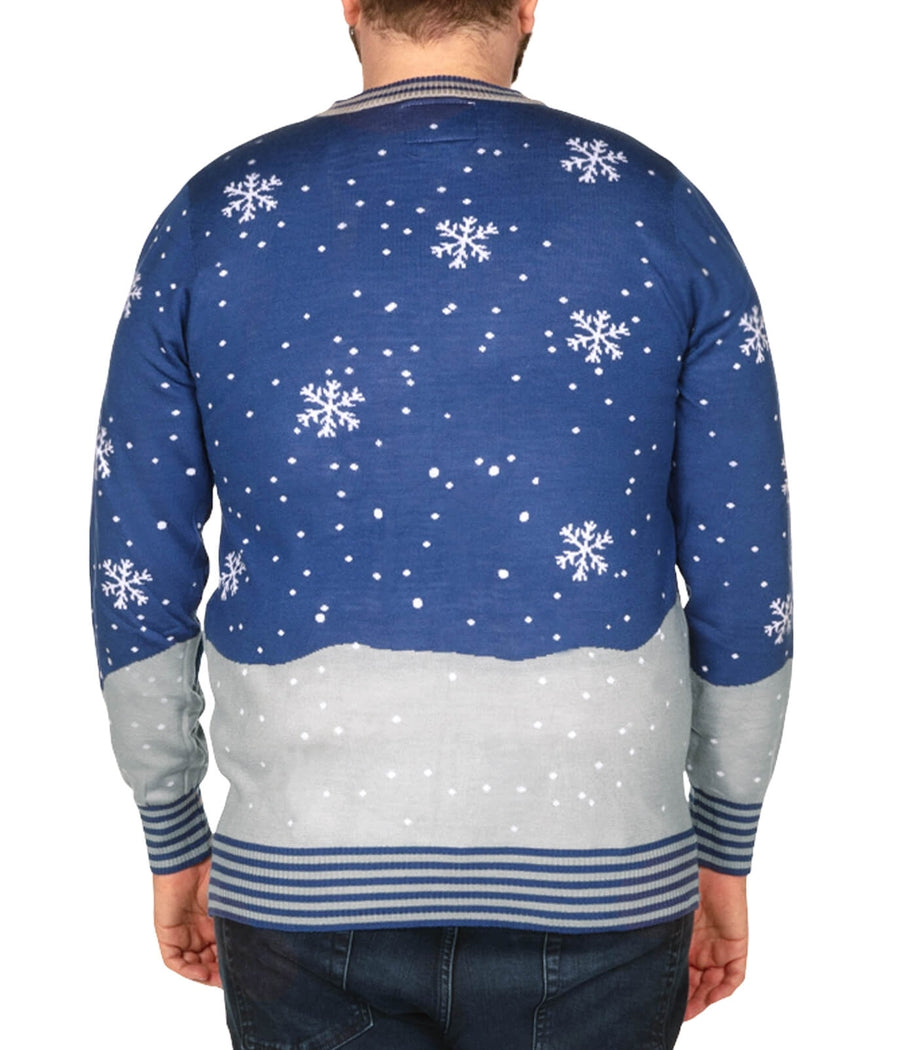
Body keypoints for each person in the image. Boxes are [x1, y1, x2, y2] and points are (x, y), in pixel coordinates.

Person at [90, 1, 792, 1046]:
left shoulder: (216, 217)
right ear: (526, 6)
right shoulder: (658, 208)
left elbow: (136, 563)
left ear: (351, 4)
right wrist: (724, 848)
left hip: (302, 865)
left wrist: (173, 828)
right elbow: (744, 563)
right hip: (604, 867)